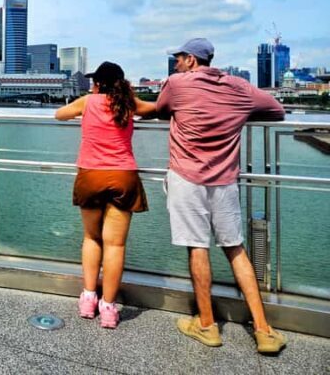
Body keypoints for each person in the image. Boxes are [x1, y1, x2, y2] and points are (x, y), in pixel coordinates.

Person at [157, 38, 287, 354]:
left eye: (179, 58)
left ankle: (207, 325)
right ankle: (263, 330)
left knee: (197, 247)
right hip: (225, 180)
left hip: (187, 178)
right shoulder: (239, 87)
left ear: (191, 59)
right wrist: (236, 113)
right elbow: (277, 111)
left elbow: (161, 111)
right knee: (235, 248)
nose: (176, 63)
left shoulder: (177, 84)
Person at [55, 61, 156, 328]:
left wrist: (82, 110)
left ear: (98, 84)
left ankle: (89, 298)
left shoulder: (87, 101)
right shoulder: (129, 103)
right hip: (123, 175)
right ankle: (109, 308)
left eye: (93, 82)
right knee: (116, 245)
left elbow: (59, 114)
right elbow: (156, 109)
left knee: (91, 237)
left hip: (91, 174)